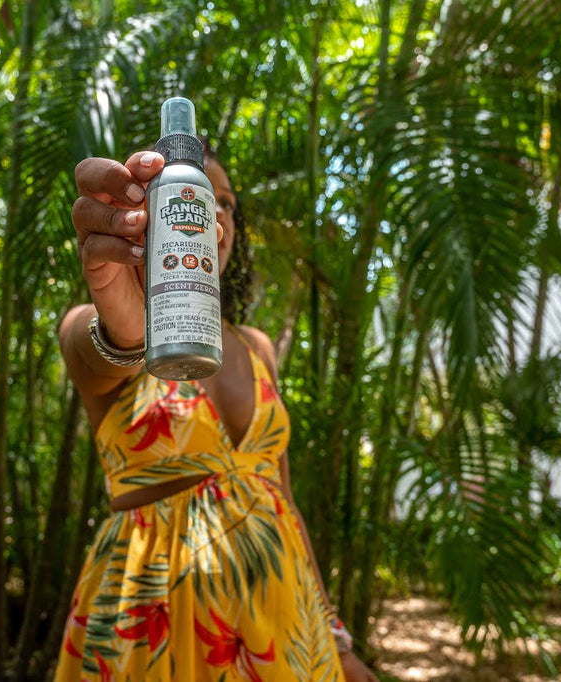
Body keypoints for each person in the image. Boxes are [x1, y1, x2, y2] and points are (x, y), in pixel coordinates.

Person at [56, 143, 378, 681]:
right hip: (151, 628)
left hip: (285, 630)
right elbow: (98, 356)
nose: (218, 211)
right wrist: (131, 332)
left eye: (226, 202)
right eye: (200, 195)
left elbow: (286, 505)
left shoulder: (258, 348)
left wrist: (337, 639)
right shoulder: (90, 323)